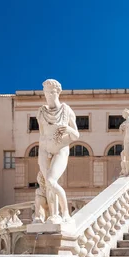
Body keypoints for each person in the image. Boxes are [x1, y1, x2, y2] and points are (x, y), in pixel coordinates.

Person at [37, 79, 79, 223]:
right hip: (43, 149)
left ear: (58, 92)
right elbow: (42, 133)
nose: (49, 95)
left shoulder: (66, 110)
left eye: (52, 92)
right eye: (46, 92)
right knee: (48, 184)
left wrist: (68, 129)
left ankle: (65, 212)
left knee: (51, 180)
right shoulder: (41, 112)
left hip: (61, 149)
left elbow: (76, 136)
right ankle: (53, 215)